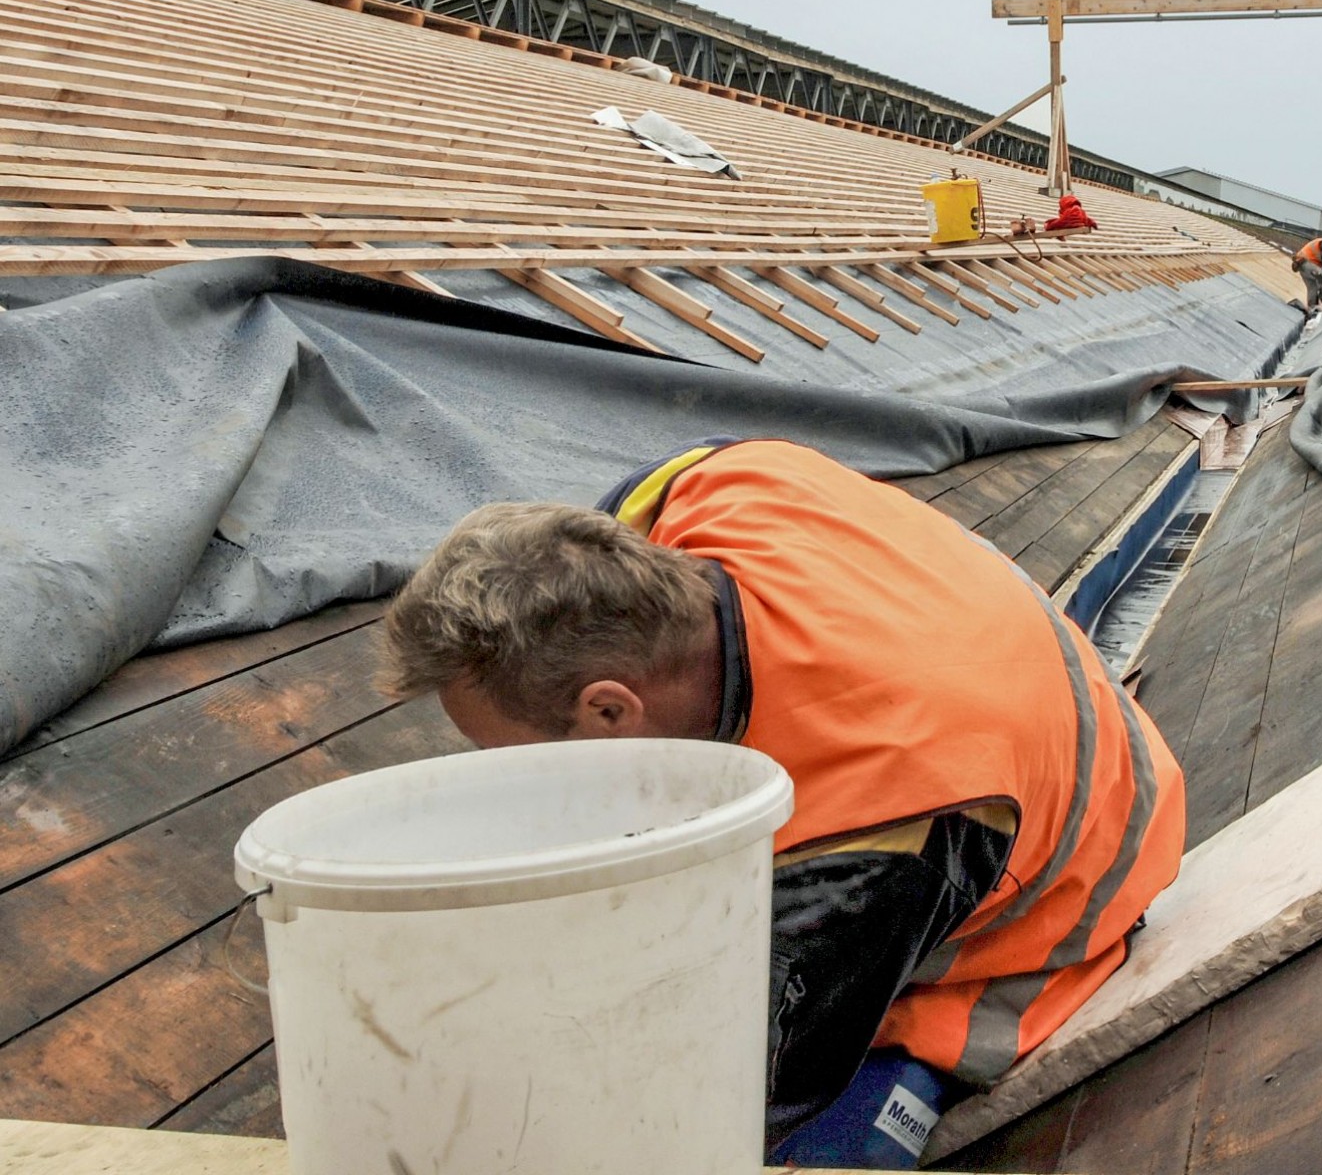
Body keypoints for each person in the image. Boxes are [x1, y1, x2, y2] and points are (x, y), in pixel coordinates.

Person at [381, 438, 1185, 1169]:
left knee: (801, 1148)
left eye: (515, 759)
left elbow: (737, 1094)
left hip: (1067, 881)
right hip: (990, 697)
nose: (511, 781)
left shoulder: (879, 824)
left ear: (609, 711)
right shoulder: (714, 484)